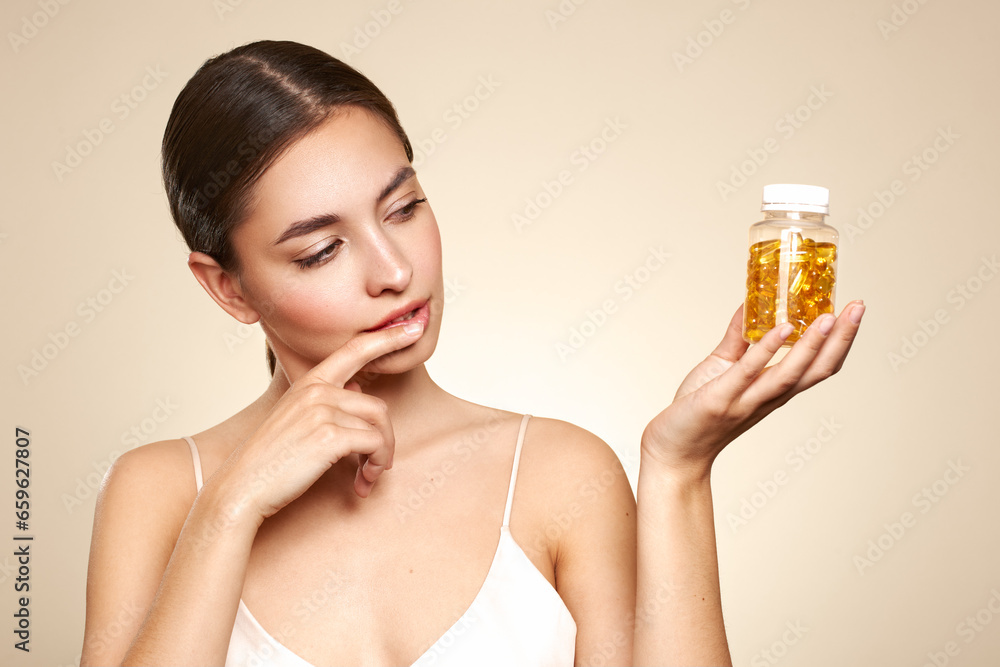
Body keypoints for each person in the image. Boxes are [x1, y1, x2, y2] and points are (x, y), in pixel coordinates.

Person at [80, 40, 864, 666]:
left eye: (405, 207)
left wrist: (680, 471)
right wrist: (231, 506)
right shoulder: (160, 493)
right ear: (230, 289)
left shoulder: (561, 474)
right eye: (321, 250)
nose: (395, 271)